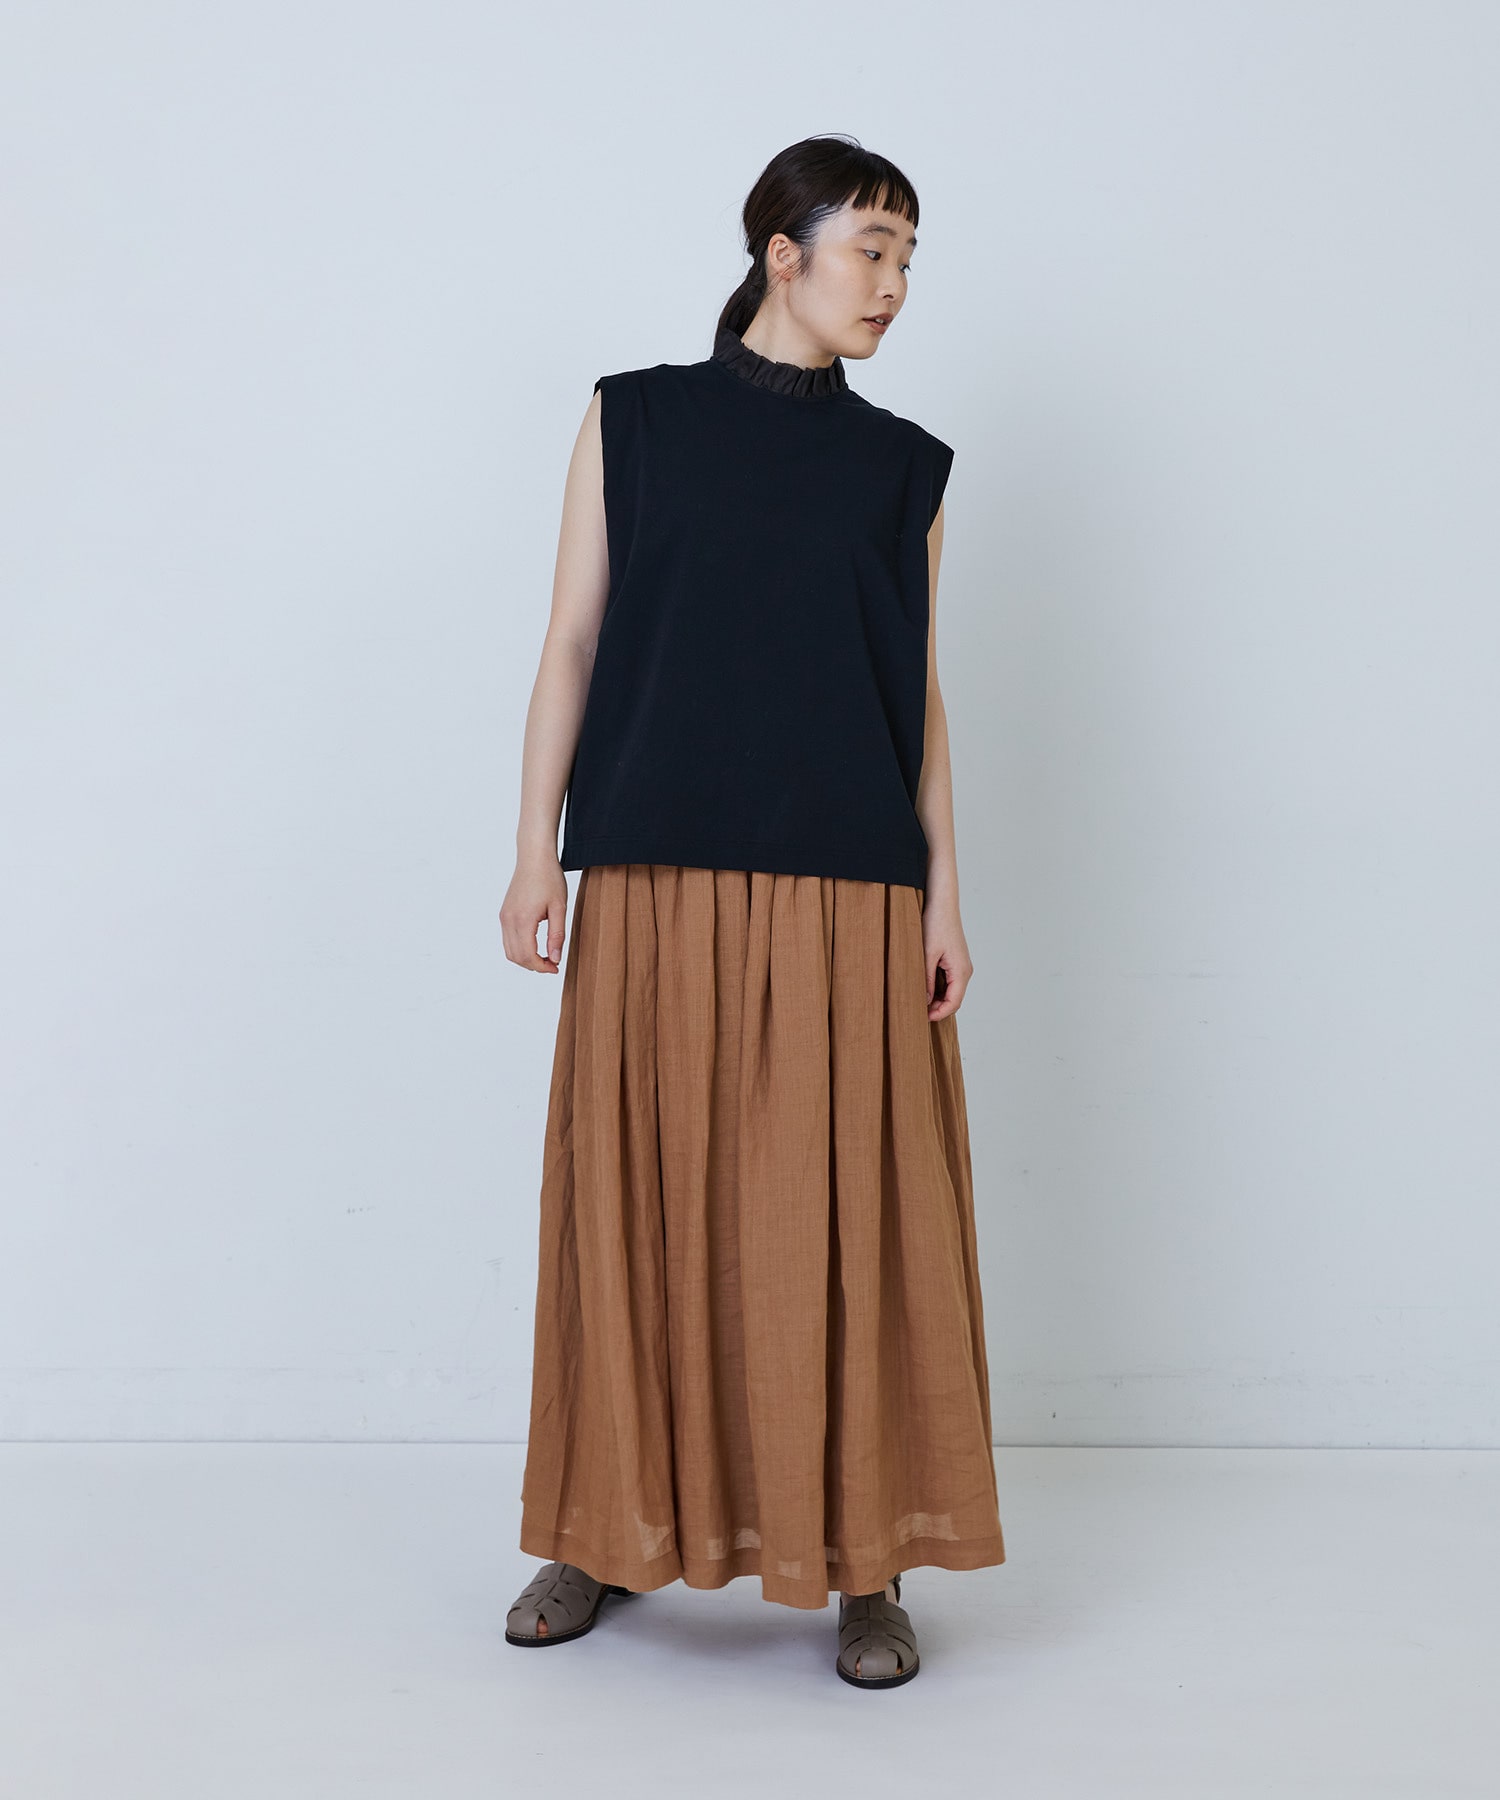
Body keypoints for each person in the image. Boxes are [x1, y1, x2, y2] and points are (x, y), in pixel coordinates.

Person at [497, 133, 1005, 1689]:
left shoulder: (903, 469)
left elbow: (915, 696)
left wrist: (946, 896)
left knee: (852, 1231)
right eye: (871, 249)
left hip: (850, 888)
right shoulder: (635, 418)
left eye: (909, 258)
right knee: (637, 1213)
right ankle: (600, 1528)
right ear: (782, 253)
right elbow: (572, 641)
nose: (894, 285)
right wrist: (533, 851)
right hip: (654, 872)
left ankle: (869, 1560)